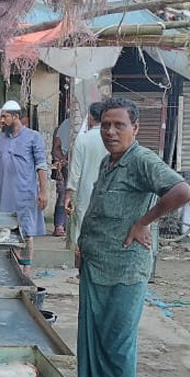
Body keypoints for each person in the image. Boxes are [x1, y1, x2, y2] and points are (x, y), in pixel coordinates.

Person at [77, 97, 190, 377]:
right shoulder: (108, 162)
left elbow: (182, 191)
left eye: (119, 125)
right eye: (106, 125)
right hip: (98, 265)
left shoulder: (141, 160)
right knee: (96, 343)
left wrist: (143, 222)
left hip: (124, 269)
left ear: (135, 129)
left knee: (118, 345)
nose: (111, 131)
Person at [0, 100, 50, 275]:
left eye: (5, 116)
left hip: (26, 193)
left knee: (27, 233)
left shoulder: (33, 137)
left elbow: (41, 165)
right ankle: (14, 268)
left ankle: (27, 268)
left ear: (16, 116)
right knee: (8, 231)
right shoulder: (0, 140)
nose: (2, 120)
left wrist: (43, 192)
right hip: (4, 193)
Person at [65, 102, 108, 259]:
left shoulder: (83, 140)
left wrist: (68, 196)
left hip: (86, 192)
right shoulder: (112, 138)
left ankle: (84, 264)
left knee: (83, 227)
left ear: (90, 118)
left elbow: (75, 173)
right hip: (108, 192)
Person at [51, 116, 73, 237]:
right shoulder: (67, 125)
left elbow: (56, 147)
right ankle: (59, 225)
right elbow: (56, 148)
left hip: (67, 164)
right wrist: (64, 160)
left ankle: (61, 225)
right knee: (64, 194)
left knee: (64, 195)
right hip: (66, 167)